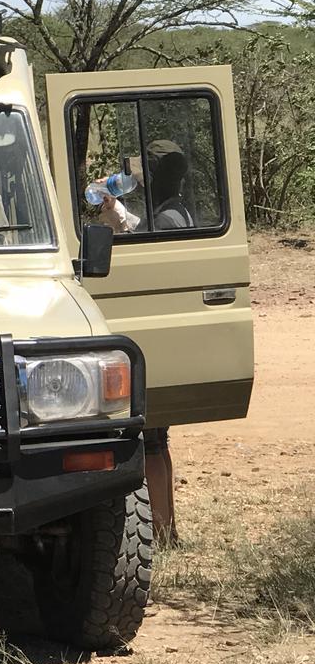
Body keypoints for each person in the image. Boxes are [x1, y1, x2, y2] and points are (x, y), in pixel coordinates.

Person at [98, 138, 192, 548]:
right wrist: (120, 216)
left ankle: (162, 532)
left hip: (156, 342)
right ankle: (166, 529)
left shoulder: (168, 219)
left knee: (152, 441)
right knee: (157, 440)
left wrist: (118, 216)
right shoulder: (173, 211)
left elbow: (149, 249)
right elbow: (144, 230)